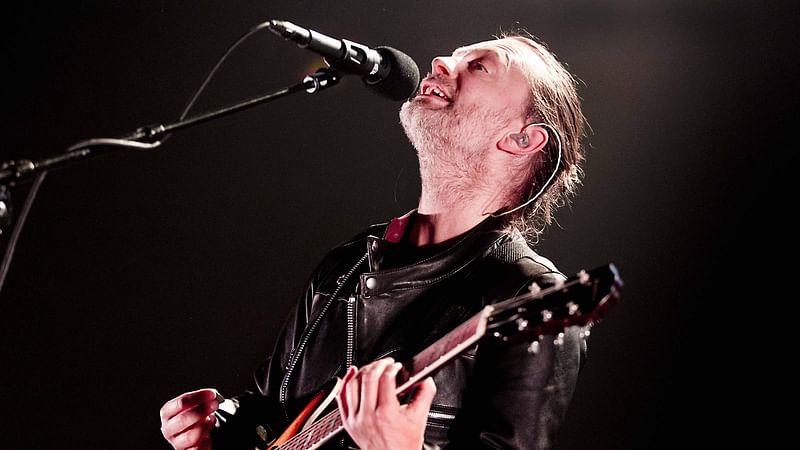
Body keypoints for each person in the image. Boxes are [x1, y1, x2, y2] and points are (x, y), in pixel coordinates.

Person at [159, 31, 587, 450]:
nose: (440, 62)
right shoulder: (345, 264)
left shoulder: (531, 298)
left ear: (521, 138)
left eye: (479, 66)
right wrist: (219, 425)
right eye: (454, 56)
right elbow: (269, 413)